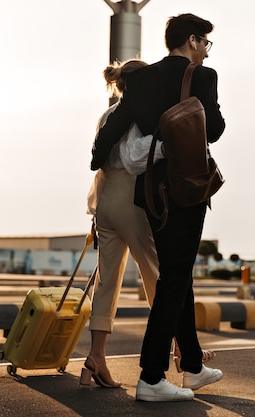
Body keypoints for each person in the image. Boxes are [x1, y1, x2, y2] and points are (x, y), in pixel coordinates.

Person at [90, 13, 226, 402]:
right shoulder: (203, 76)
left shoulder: (145, 80)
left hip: (149, 193)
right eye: (204, 43)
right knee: (173, 279)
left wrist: (96, 157)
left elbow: (114, 128)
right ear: (192, 41)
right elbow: (213, 130)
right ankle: (151, 376)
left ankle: (194, 367)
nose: (205, 50)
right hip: (186, 188)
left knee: (176, 274)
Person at [81, 59, 160, 389]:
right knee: (157, 274)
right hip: (129, 196)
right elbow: (132, 158)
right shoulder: (136, 114)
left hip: (106, 198)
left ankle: (96, 356)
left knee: (107, 281)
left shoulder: (107, 114)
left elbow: (103, 161)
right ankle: (181, 350)